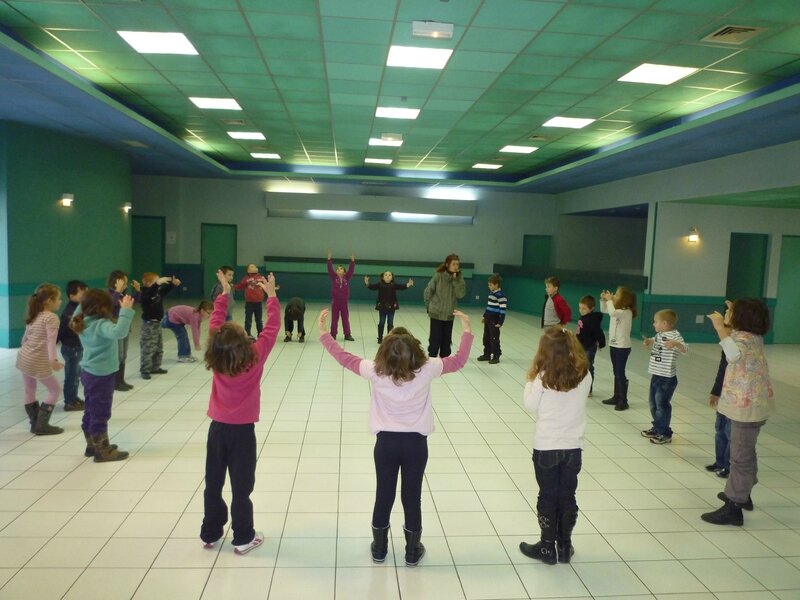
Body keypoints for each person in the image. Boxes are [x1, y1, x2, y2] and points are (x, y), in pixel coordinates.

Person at [318, 308, 473, 567]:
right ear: (416, 349)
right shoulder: (428, 368)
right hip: (416, 445)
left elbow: (344, 358)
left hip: (386, 445)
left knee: (384, 494)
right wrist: (466, 330)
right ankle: (412, 551)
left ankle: (379, 548)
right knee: (412, 496)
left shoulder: (374, 370)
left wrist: (324, 333)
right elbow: (458, 360)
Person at [200, 270, 280, 554]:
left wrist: (224, 292)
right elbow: (271, 328)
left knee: (213, 482)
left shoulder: (216, 355)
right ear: (245, 342)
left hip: (217, 429)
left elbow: (216, 322)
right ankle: (243, 536)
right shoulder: (254, 358)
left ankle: (210, 531)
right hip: (243, 432)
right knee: (241, 486)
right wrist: (271, 296)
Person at [520, 327, 590, 565]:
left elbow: (530, 405)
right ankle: (565, 544)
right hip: (573, 447)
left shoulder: (542, 377)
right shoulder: (584, 374)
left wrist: (530, 379)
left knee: (547, 495)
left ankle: (547, 546)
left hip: (546, 446)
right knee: (568, 495)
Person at [702, 299, 772, 526]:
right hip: (750, 407)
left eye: (729, 311)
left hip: (746, 409)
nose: (725, 314)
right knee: (745, 453)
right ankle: (743, 492)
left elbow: (732, 354)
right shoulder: (753, 336)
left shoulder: (743, 339)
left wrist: (720, 327)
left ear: (742, 317)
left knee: (740, 457)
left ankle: (734, 506)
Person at [71, 289, 135, 461]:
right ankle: (102, 451)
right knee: (101, 412)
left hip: (89, 373)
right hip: (102, 376)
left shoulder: (81, 321)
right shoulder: (100, 325)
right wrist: (126, 310)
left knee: (91, 409)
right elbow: (119, 332)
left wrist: (84, 300)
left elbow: (78, 311)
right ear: (102, 308)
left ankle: (93, 445)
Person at [17, 283, 65, 435]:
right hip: (37, 359)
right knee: (55, 389)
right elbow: (51, 341)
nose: (60, 301)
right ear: (49, 301)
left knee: (29, 389)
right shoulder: (51, 318)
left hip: (24, 357)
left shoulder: (35, 314)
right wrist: (53, 361)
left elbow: (24, 340)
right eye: (59, 298)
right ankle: (41, 425)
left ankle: (34, 423)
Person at [640, 310, 687, 444]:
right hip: (656, 375)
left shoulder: (675, 336)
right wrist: (649, 341)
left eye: (655, 321)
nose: (653, 324)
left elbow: (686, 350)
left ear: (664, 323)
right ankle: (657, 427)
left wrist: (677, 345)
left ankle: (665, 433)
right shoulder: (659, 335)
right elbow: (655, 342)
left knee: (662, 405)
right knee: (653, 403)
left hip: (666, 378)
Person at [600, 286, 637, 411]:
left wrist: (610, 300)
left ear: (624, 299)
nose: (614, 296)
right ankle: (616, 396)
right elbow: (604, 310)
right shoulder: (617, 309)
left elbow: (612, 312)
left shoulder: (626, 312)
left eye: (616, 294)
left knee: (620, 373)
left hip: (622, 347)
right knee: (616, 372)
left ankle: (623, 400)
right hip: (614, 345)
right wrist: (604, 300)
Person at [423, 254, 465, 358]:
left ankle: (444, 359)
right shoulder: (439, 275)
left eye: (457, 264)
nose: (456, 266)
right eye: (453, 264)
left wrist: (455, 281)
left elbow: (460, 294)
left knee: (447, 339)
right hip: (436, 312)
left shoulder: (459, 278)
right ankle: (432, 357)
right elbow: (428, 290)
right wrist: (428, 306)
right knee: (435, 338)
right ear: (447, 264)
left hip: (449, 313)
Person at [139, 272, 179, 379]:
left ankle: (155, 367)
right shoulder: (145, 294)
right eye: (156, 282)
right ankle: (145, 370)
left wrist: (173, 284)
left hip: (157, 324)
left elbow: (164, 292)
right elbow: (150, 293)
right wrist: (157, 284)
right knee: (148, 347)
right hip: (149, 325)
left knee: (158, 347)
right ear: (148, 283)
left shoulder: (156, 292)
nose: (159, 284)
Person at [107, 270, 140, 391]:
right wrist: (117, 291)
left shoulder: (121, 294)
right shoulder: (110, 294)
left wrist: (137, 290)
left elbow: (135, 302)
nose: (125, 285)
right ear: (116, 282)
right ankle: (115, 382)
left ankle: (121, 380)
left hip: (125, 326)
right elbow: (111, 304)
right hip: (116, 327)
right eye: (123, 283)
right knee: (118, 355)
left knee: (123, 355)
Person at [58, 280, 88, 411]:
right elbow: (62, 329)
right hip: (72, 347)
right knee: (72, 375)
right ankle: (69, 401)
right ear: (72, 296)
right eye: (83, 293)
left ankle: (74, 397)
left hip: (77, 346)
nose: (86, 294)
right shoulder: (70, 311)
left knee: (76, 374)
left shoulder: (79, 308)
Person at [364, 271, 414, 343]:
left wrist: (408, 284)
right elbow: (372, 287)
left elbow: (401, 286)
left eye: (389, 275)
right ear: (382, 277)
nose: (388, 276)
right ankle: (380, 338)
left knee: (390, 323)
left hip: (391, 307)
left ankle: (389, 338)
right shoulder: (380, 284)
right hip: (382, 307)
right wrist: (367, 283)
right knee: (381, 322)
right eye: (386, 275)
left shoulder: (394, 285)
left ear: (392, 277)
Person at [705, 350, 731, 477]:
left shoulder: (740, 346)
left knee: (730, 432)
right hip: (724, 394)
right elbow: (722, 370)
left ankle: (728, 466)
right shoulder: (726, 346)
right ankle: (720, 462)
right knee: (720, 429)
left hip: (736, 398)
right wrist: (715, 391)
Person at [575, 295, 605, 397]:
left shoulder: (592, 320)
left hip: (589, 347)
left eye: (584, 308)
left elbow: (598, 332)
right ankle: (581, 386)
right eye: (580, 308)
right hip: (581, 346)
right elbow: (579, 333)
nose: (581, 310)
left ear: (591, 308)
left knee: (588, 367)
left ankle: (588, 389)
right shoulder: (583, 318)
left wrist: (601, 343)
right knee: (580, 366)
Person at [477, 273, 507, 364]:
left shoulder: (501, 296)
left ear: (496, 285)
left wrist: (500, 322)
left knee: (494, 338)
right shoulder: (491, 294)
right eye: (488, 284)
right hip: (488, 319)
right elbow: (488, 307)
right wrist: (484, 316)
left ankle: (496, 355)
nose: (489, 286)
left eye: (490, 285)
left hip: (495, 319)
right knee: (486, 337)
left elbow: (502, 310)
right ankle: (487, 354)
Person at [327, 251, 355, 341]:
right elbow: (330, 269)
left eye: (341, 269)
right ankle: (333, 334)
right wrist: (329, 260)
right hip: (335, 302)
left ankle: (347, 334)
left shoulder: (347, 278)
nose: (339, 270)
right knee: (334, 318)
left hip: (344, 302)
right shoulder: (333, 277)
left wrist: (352, 262)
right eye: (337, 269)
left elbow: (351, 270)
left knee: (345, 318)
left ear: (344, 271)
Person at [234, 264, 266, 338]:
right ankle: (247, 334)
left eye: (255, 266)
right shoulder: (246, 278)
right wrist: (233, 286)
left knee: (259, 320)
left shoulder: (260, 277)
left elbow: (266, 285)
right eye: (252, 267)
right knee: (248, 320)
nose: (254, 267)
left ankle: (260, 334)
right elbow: (240, 286)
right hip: (249, 303)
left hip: (258, 303)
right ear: (248, 270)